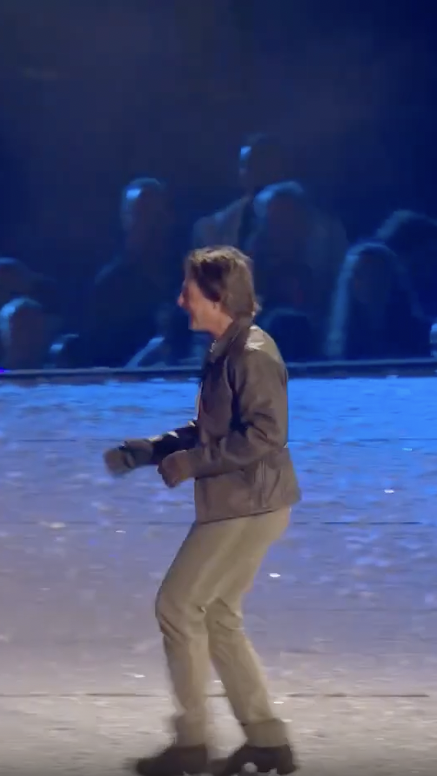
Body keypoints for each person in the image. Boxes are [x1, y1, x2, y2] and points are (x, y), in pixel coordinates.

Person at [102, 246, 301, 776]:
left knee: (177, 605)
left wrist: (193, 463)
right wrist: (150, 450)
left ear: (217, 294)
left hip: (247, 504)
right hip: (245, 502)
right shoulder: (227, 351)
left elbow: (265, 434)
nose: (180, 299)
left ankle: (192, 742)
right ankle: (265, 739)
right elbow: (214, 430)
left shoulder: (252, 353)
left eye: (189, 289)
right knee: (217, 616)